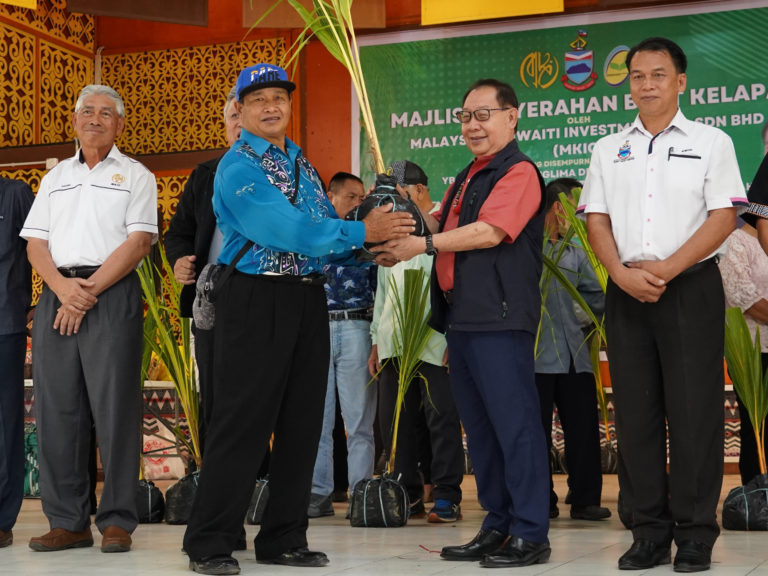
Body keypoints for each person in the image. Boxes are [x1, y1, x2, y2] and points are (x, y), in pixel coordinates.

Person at [182, 63, 414, 576]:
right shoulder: (237, 166)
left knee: (303, 423)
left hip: (310, 300)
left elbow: (317, 238)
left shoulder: (302, 163)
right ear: (238, 110)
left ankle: (284, 536)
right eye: (258, 98)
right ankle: (210, 541)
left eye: (279, 98)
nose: (271, 106)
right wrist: (361, 233)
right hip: (253, 299)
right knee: (241, 424)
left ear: (290, 107)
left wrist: (366, 254)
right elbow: (285, 230)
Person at [580, 37, 747, 572]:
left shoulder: (712, 142)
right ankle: (647, 531)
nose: (646, 84)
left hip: (691, 286)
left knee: (694, 412)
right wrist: (620, 275)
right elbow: (596, 219)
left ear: (680, 82)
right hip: (626, 291)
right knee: (636, 415)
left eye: (657, 75)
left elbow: (724, 216)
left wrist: (669, 269)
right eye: (636, 76)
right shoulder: (608, 147)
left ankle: (695, 532)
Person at [375, 79, 551, 568]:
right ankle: (497, 524)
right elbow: (438, 226)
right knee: (482, 428)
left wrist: (421, 247)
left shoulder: (518, 172)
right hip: (463, 320)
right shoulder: (466, 176)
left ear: (512, 116)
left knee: (514, 427)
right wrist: (395, 210)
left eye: (484, 114)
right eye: (466, 116)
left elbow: (489, 232)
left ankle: (531, 532)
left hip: (500, 317)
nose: (473, 125)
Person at [20, 84, 158, 553]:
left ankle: (117, 519)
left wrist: (87, 292)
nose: (95, 119)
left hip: (111, 296)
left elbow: (139, 242)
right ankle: (68, 521)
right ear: (74, 121)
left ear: (120, 124)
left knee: (115, 408)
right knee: (57, 411)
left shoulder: (136, 175)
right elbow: (35, 243)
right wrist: (62, 290)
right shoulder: (55, 178)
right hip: (57, 295)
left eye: (106, 113)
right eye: (87, 112)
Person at [369, 159, 464, 523]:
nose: (389, 203)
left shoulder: (444, 226)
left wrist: (455, 337)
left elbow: (455, 282)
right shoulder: (390, 231)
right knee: (397, 422)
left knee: (441, 419)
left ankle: (446, 495)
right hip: (393, 343)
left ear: (419, 191)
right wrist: (377, 340)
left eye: (397, 194)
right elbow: (382, 291)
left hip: (434, 340)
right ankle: (407, 495)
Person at [165, 85, 242, 455]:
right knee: (212, 390)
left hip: (260, 299)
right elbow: (178, 233)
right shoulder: (205, 175)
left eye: (247, 116)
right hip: (208, 302)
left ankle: (259, 480)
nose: (240, 125)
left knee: (252, 391)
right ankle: (217, 478)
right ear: (225, 124)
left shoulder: (284, 172)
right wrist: (179, 260)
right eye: (233, 118)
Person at [537, 177, 610, 522]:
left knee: (582, 430)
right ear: (557, 207)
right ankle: (540, 499)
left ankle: (585, 500)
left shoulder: (579, 251)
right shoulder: (529, 249)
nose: (579, 216)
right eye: (574, 207)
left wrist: (581, 316)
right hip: (533, 357)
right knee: (534, 433)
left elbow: (596, 298)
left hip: (574, 354)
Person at [308, 171, 377, 517]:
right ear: (331, 198)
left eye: (363, 197)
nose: (360, 203)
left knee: (359, 419)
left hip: (356, 327)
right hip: (317, 330)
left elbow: (382, 290)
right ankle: (318, 493)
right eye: (352, 197)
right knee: (317, 421)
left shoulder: (367, 239)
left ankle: (360, 493)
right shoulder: (314, 233)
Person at [718, 221, 768, 485]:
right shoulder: (736, 242)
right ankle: (757, 493)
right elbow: (742, 297)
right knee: (757, 426)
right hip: (752, 350)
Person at [0, 177, 35, 549]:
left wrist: (38, 305)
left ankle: (1, 517)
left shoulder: (15, 194)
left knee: (5, 423)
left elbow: (42, 247)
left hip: (4, 324)